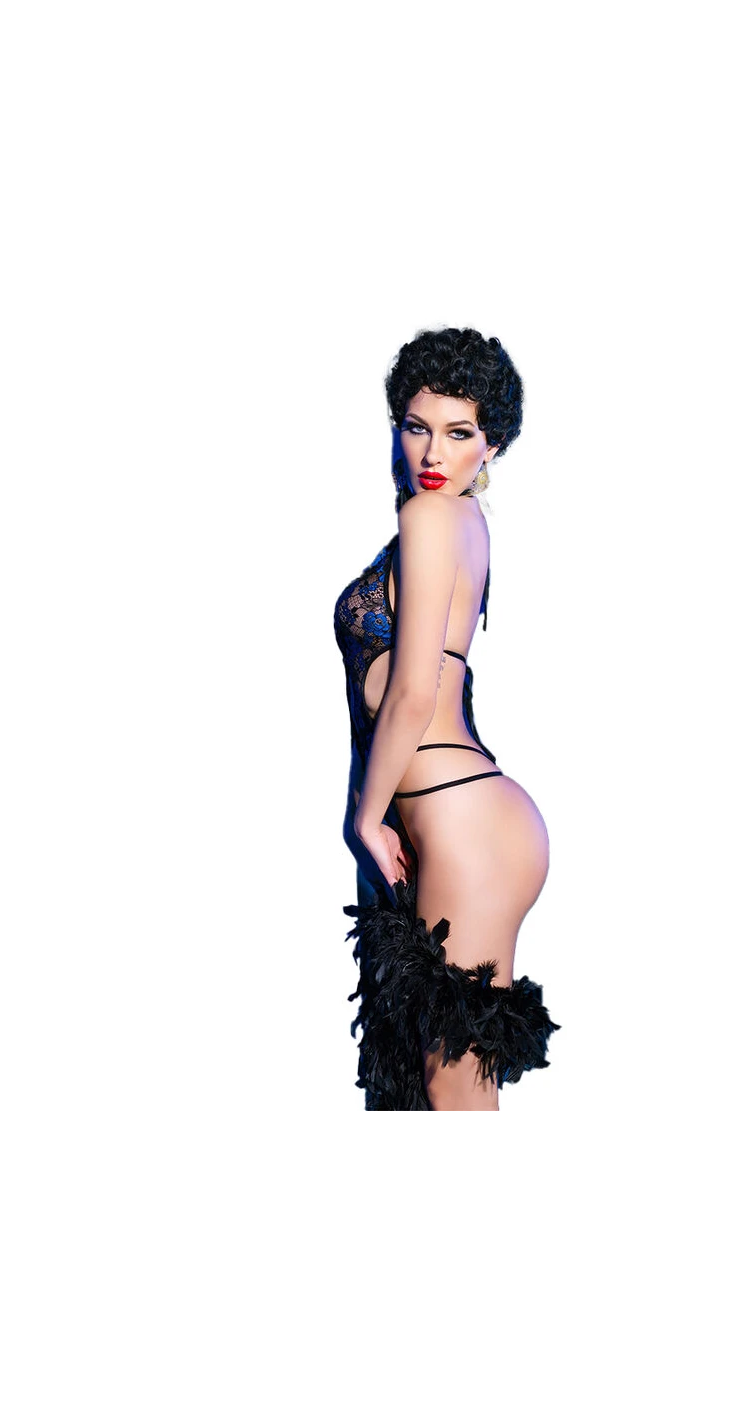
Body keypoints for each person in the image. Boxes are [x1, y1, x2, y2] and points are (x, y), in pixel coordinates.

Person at [334, 327, 561, 1112]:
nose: (432, 452)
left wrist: (366, 817)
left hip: (462, 824)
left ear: (491, 444)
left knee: (454, 1098)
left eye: (459, 433)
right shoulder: (461, 521)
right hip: (466, 816)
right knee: (431, 1096)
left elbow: (412, 692)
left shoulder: (432, 517)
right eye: (416, 426)